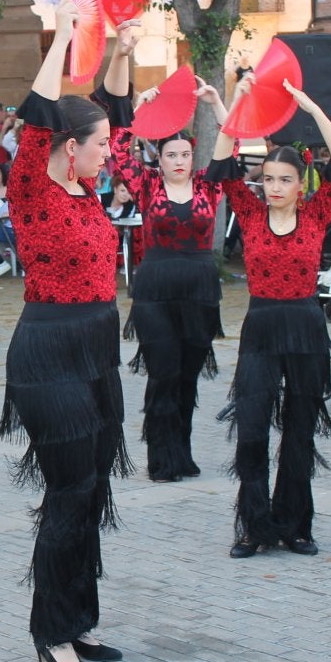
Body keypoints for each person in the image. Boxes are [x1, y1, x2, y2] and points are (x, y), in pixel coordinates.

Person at [0, 0, 130, 662]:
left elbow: (105, 108)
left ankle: (78, 618)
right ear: (69, 145)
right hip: (48, 353)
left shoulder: (87, 193)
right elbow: (40, 112)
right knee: (69, 489)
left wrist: (120, 52)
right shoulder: (32, 187)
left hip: (96, 351)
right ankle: (50, 633)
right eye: (101, 144)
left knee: (92, 488)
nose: (111, 153)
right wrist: (66, 34)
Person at [206, 74, 331, 560]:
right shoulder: (250, 214)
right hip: (261, 327)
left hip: (304, 326)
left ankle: (296, 524)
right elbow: (221, 162)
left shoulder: (317, 214)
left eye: (283, 180)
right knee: (252, 428)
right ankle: (254, 526)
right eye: (268, 179)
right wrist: (234, 103)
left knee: (299, 428)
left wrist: (312, 108)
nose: (273, 187)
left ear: (301, 185)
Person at [109, 37, 230, 485]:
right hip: (155, 286)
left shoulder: (207, 185)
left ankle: (184, 450)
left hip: (199, 285)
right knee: (163, 370)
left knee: (189, 375)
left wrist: (217, 102)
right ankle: (161, 457)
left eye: (184, 154)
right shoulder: (146, 186)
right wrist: (137, 111)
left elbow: (230, 145)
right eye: (171, 155)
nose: (179, 160)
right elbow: (117, 152)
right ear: (159, 160)